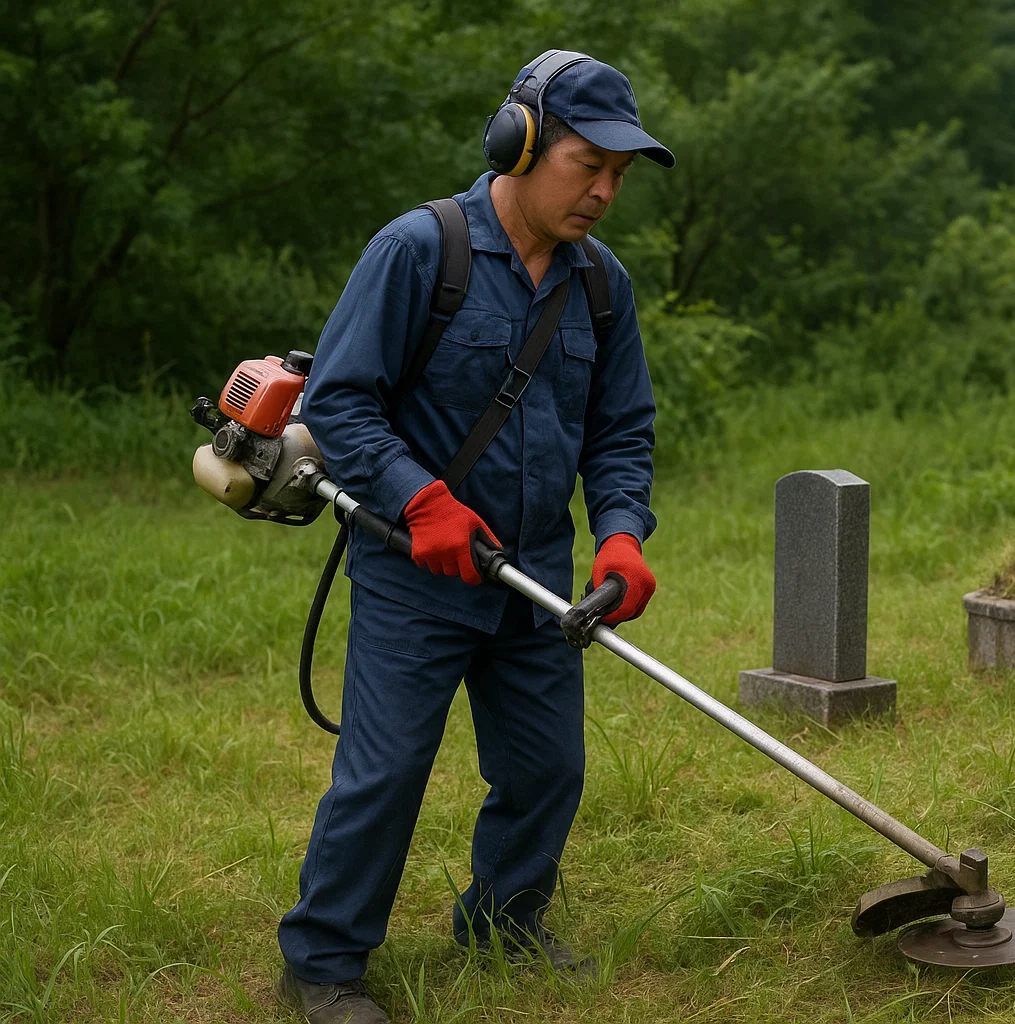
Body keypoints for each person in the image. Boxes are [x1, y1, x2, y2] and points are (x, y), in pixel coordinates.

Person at [274, 51, 673, 1024]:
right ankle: (323, 965)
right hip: (416, 568)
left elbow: (620, 431)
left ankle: (503, 922)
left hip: (536, 571)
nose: (605, 191)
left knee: (549, 766)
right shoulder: (422, 251)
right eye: (589, 164)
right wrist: (420, 501)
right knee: (388, 766)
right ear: (521, 142)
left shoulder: (601, 288)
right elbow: (340, 402)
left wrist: (619, 536)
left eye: (620, 173)